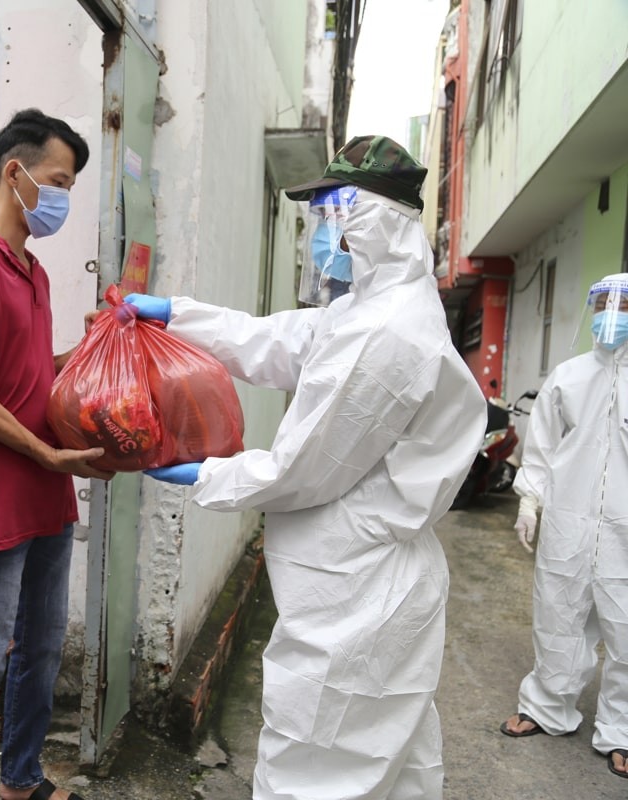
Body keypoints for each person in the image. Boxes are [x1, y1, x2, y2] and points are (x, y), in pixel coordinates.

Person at [125, 135, 486, 799]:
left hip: (355, 598)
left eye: (333, 210)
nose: (322, 229)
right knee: (389, 766)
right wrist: (179, 317)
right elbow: (278, 342)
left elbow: (305, 470)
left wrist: (207, 475)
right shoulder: (364, 311)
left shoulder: (387, 335)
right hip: (360, 578)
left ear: (374, 220)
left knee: (316, 769)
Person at [0, 108, 112, 800]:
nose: (63, 198)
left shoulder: (31, 275)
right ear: (16, 172)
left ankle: (22, 778)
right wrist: (44, 452)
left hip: (46, 490)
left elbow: (35, 377)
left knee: (40, 650)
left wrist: (90, 345)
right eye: (58, 181)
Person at [501, 273, 628, 780]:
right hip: (568, 522)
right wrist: (530, 500)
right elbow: (542, 447)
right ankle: (547, 707)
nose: (611, 314)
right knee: (557, 616)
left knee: (627, 632)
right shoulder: (569, 376)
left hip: (625, 528)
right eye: (603, 303)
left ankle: (621, 732)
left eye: (622, 304)